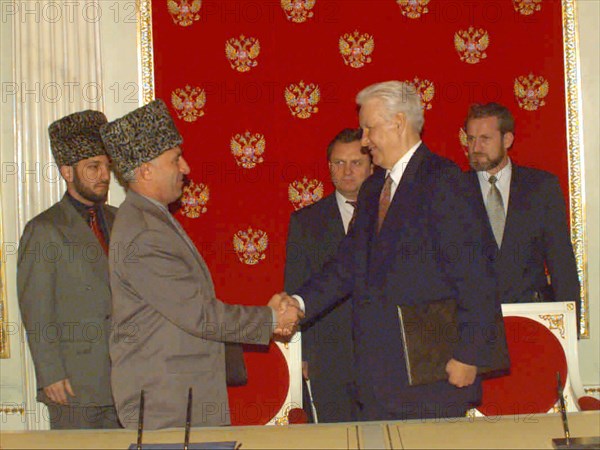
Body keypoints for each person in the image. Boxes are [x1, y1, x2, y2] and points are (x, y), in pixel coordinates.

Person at [289, 81, 501, 421]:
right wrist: (298, 304)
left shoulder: (444, 180)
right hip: (378, 380)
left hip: (433, 378)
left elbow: (476, 275)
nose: (364, 140)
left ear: (398, 123)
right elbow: (346, 265)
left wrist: (469, 355)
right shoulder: (374, 188)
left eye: (369, 128)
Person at [100, 99, 302, 430]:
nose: (186, 168)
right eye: (175, 159)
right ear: (146, 169)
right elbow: (200, 315)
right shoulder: (144, 232)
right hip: (167, 406)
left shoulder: (150, 218)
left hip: (181, 400)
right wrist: (271, 318)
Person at [17, 110, 119, 429]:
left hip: (125, 381)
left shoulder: (121, 221)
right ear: (67, 171)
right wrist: (51, 374)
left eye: (106, 166)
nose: (104, 175)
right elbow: (37, 310)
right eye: (93, 167)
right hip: (74, 387)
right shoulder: (45, 229)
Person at [284, 128, 372, 422]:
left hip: (385, 357)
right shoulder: (306, 222)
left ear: (372, 166)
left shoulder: (397, 217)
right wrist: (301, 353)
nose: (347, 171)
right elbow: (296, 286)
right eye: (338, 163)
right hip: (328, 358)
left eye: (356, 163)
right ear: (329, 167)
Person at [464, 102, 580, 315]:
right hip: (473, 324)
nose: (475, 148)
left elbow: (561, 262)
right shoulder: (453, 190)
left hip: (532, 319)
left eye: (485, 139)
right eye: (471, 139)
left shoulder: (541, 187)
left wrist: (569, 332)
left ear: (507, 139)